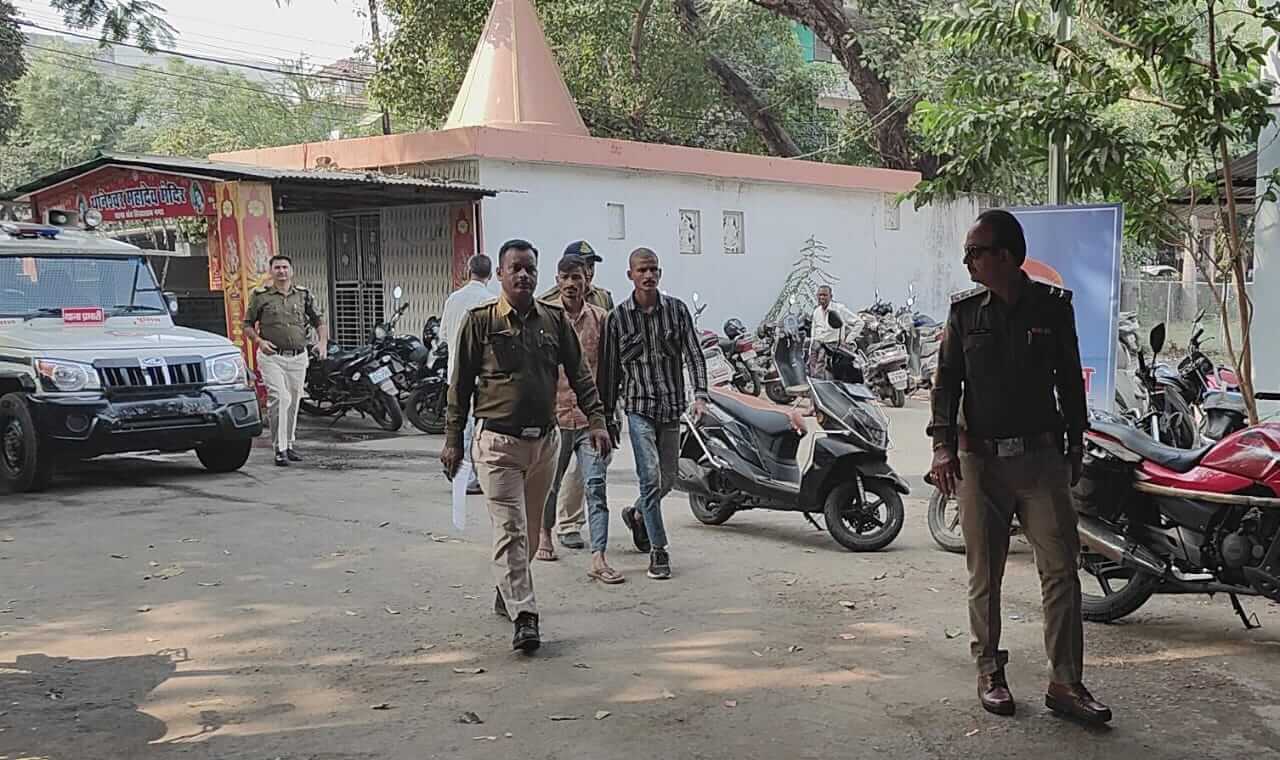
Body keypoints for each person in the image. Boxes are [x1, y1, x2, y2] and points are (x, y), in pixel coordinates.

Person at [928, 209, 1110, 724]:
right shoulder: (965, 313)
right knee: (985, 575)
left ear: (1005, 256)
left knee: (1061, 571)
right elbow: (946, 384)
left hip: (1040, 461)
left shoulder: (1051, 308)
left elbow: (1069, 379)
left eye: (975, 252)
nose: (967, 262)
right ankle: (989, 671)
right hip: (980, 463)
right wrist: (942, 447)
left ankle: (1065, 683)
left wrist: (1076, 443)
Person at [442, 239, 612, 653]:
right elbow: (459, 386)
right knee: (511, 529)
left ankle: (509, 587)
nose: (523, 275)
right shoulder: (480, 321)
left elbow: (580, 374)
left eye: (529, 269)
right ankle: (526, 616)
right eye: (515, 268)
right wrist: (452, 442)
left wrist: (597, 419)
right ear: (499, 274)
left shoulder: (553, 321)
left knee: (531, 534)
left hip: (544, 445)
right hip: (497, 444)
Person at [598, 247, 709, 580]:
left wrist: (700, 395)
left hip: (671, 409)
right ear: (630, 275)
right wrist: (607, 416)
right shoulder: (618, 318)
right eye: (642, 270)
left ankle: (637, 514)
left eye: (653, 270)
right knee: (649, 477)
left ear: (659, 273)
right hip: (638, 409)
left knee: (668, 478)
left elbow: (694, 354)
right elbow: (610, 371)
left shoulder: (677, 310)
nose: (648, 275)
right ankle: (659, 551)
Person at [535, 255, 622, 582]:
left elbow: (611, 369)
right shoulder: (544, 318)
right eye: (566, 277)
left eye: (578, 277)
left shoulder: (602, 319)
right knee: (549, 484)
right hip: (554, 417)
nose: (571, 284)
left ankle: (599, 556)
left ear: (588, 281)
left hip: (590, 420)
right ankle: (544, 533)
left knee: (596, 486)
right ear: (557, 280)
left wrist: (608, 417)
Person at [243, 255, 327, 467]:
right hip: (272, 357)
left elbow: (318, 320)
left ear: (291, 271)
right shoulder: (261, 296)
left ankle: (288, 444)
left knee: (294, 400)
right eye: (277, 268)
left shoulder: (303, 295)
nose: (281, 271)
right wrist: (259, 341)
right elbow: (247, 324)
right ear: (271, 271)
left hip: (298, 357)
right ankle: (279, 449)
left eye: (285, 267)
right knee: (280, 398)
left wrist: (322, 343)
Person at [441, 254, 497, 495]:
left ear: (468, 271)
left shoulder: (453, 299)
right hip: (480, 375)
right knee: (476, 428)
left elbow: (444, 335)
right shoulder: (491, 301)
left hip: (455, 373)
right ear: (491, 274)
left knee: (461, 425)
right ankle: (470, 477)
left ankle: (463, 476)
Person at [809, 285, 857, 378]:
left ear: (831, 296)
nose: (822, 297)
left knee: (823, 374)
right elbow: (813, 331)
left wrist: (847, 340)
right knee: (813, 374)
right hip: (816, 345)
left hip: (831, 346)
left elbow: (859, 323)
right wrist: (812, 348)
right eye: (820, 295)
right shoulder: (816, 311)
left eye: (824, 295)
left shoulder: (839, 309)